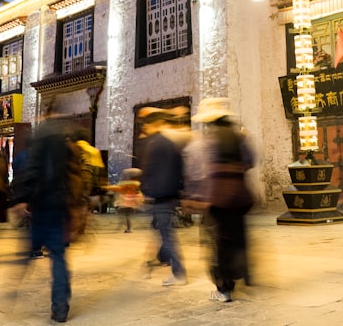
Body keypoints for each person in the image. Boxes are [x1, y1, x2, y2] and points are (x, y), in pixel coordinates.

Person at [9, 109, 85, 323]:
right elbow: (74, 176)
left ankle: (11, 292)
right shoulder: (68, 145)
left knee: (28, 250)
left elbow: (32, 171)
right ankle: (60, 308)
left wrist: (22, 199)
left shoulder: (40, 141)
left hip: (41, 204)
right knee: (58, 256)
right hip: (60, 205)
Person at [190, 97, 255, 303]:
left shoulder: (209, 141)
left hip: (217, 198)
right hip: (240, 195)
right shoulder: (240, 137)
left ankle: (223, 288)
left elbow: (202, 171)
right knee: (238, 239)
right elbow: (250, 160)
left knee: (219, 244)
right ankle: (241, 275)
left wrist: (199, 198)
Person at [137, 109, 188, 287]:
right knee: (165, 234)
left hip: (160, 196)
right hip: (170, 194)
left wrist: (145, 190)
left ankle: (179, 273)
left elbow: (150, 170)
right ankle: (167, 265)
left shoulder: (155, 144)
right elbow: (180, 168)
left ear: (153, 125)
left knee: (167, 236)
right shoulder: (169, 143)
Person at [107, 168, 144, 233]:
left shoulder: (129, 183)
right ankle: (128, 228)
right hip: (130, 202)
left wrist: (109, 187)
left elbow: (119, 188)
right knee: (127, 215)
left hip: (127, 202)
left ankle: (128, 228)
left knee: (126, 215)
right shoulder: (135, 183)